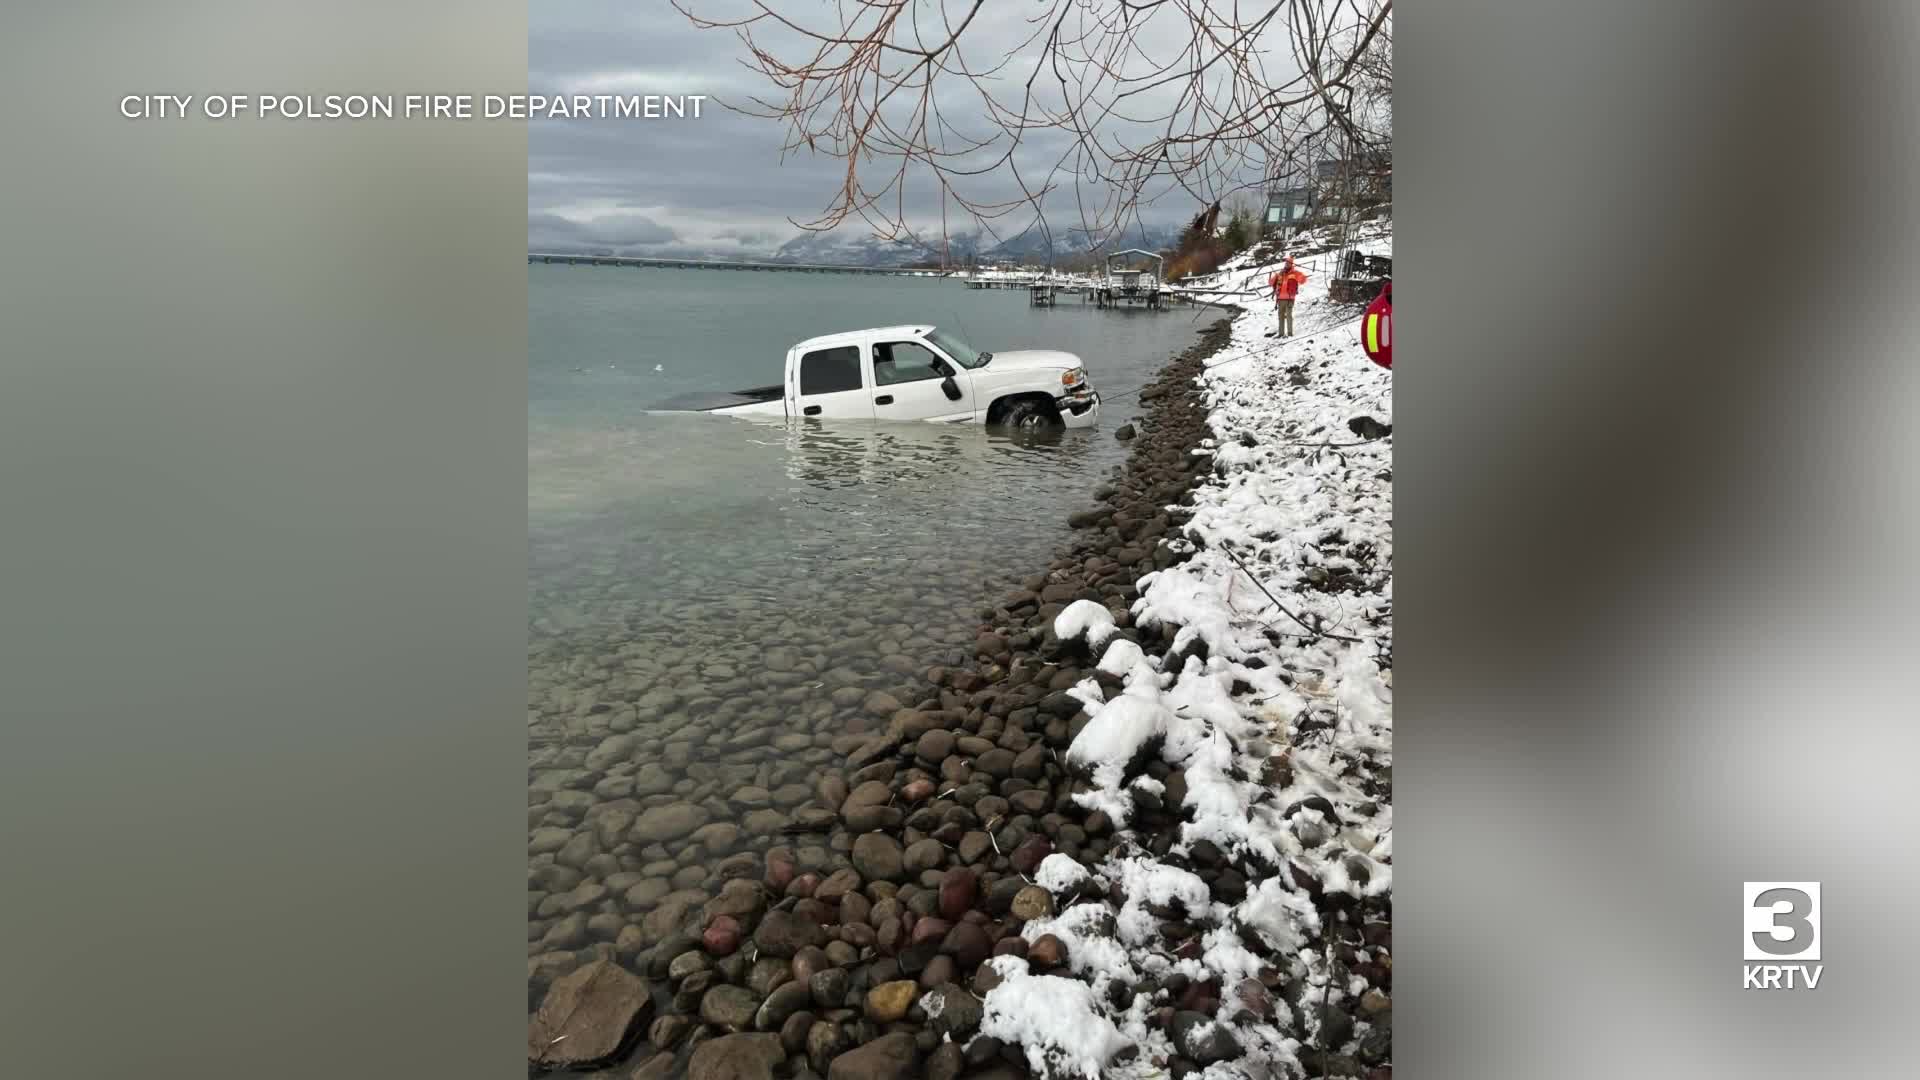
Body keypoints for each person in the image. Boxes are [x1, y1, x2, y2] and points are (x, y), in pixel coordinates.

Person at [1269, 255, 1308, 337]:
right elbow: (1270, 283)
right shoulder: (1280, 273)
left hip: (1290, 299)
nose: (1287, 264)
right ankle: (1281, 334)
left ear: (1291, 264)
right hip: (1280, 299)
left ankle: (1290, 333)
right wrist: (1275, 277)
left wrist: (1300, 276)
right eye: (1286, 262)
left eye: (1288, 263)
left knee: (1289, 316)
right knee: (1281, 317)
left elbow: (1303, 280)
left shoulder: (1295, 273)